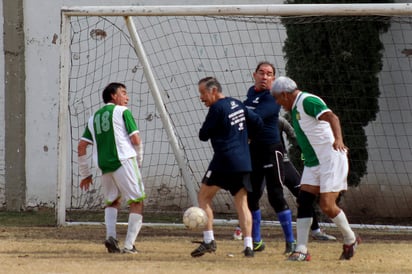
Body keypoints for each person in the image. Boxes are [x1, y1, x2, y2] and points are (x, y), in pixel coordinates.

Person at [271, 76, 360, 261]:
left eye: (278, 99)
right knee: (303, 201)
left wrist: (339, 139)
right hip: (314, 162)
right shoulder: (295, 107)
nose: (278, 103)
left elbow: (332, 117)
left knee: (327, 205)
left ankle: (351, 238)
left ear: (285, 95)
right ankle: (301, 250)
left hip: (330, 158)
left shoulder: (307, 101)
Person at [190, 77, 263, 258]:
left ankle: (209, 241)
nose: (201, 98)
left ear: (213, 90)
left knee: (203, 197)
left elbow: (203, 135)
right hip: (244, 162)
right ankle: (248, 246)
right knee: (242, 203)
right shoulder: (237, 104)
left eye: (203, 93)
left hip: (224, 160)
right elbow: (258, 123)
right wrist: (248, 137)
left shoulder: (217, 108)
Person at [233, 116, 336, 241]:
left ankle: (316, 231)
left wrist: (307, 155)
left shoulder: (279, 120)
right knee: (253, 197)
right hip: (260, 164)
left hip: (282, 162)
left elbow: (295, 139)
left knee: (303, 194)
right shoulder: (250, 121)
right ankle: (241, 228)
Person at [78, 82, 145, 254]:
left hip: (104, 165)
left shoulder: (93, 117)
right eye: (123, 93)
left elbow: (81, 146)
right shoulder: (123, 112)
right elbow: (136, 140)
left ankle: (111, 237)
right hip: (124, 160)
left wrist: (85, 174)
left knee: (112, 201)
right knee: (137, 201)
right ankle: (129, 246)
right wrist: (138, 161)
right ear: (113, 96)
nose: (127, 97)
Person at [243, 61, 295, 255]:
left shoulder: (273, 98)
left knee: (276, 195)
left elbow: (257, 116)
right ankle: (256, 242)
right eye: (261, 73)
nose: (265, 77)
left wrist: (236, 109)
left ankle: (290, 242)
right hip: (252, 151)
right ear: (254, 74)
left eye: (269, 74)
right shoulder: (250, 93)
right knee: (252, 196)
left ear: (273, 79)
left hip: (271, 150)